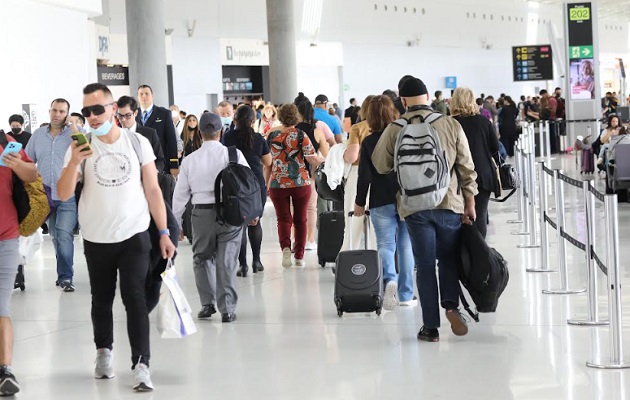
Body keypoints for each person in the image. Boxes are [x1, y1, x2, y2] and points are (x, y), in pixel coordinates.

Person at [57, 83, 176, 392]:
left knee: (135, 298)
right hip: (96, 237)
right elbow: (63, 193)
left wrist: (163, 232)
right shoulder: (80, 147)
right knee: (101, 299)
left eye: (98, 110)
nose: (93, 117)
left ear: (113, 109)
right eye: (87, 112)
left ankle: (141, 365)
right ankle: (103, 352)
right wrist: (73, 162)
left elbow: (153, 190)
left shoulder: (137, 143)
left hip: (134, 234)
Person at [372, 76, 478, 343]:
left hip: (414, 207)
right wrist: (470, 201)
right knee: (448, 259)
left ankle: (430, 328)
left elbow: (380, 165)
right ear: (429, 96)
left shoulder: (396, 128)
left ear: (403, 100)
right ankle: (452, 307)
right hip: (449, 204)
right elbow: (466, 167)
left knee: (425, 264)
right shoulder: (449, 124)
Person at [172, 112, 249, 322]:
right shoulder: (233, 155)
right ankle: (228, 310)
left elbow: (180, 195)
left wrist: (176, 223)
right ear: (221, 132)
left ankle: (207, 305)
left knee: (201, 258)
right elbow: (247, 186)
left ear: (200, 133)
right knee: (227, 262)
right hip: (230, 213)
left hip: (200, 214)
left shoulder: (189, 160)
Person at [354, 95, 416, 311]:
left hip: (380, 199)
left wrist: (359, 203)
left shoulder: (369, 142)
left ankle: (390, 280)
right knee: (406, 245)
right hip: (406, 197)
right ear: (393, 112)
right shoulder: (402, 135)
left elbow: (364, 176)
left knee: (385, 245)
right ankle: (406, 294)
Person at [25, 98, 78, 292]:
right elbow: (28, 160)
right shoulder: (38, 135)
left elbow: (85, 150)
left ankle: (66, 277)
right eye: (54, 110)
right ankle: (62, 274)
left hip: (67, 195)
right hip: (46, 196)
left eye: (62, 112)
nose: (57, 114)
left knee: (64, 236)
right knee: (55, 237)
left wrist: (75, 128)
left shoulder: (73, 135)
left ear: (67, 114)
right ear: (49, 111)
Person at [0, 131, 38, 396]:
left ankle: (5, 370)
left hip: (6, 236)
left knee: (1, 306)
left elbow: (32, 175)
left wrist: (17, 163)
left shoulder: (6, 144)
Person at [265, 104, 321, 268]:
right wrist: (322, 162)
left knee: (283, 219)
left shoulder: (271, 135)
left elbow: (267, 164)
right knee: (300, 219)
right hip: (300, 182)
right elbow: (311, 158)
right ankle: (299, 257)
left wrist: (266, 182)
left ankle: (285, 249)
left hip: (278, 182)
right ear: (296, 116)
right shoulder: (300, 135)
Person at [223, 106, 272, 277]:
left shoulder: (227, 137)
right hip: (255, 185)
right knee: (255, 222)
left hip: (236, 185)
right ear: (252, 121)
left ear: (234, 120)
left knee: (240, 224)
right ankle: (256, 261)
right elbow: (268, 161)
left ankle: (242, 265)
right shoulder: (258, 138)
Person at [451, 87, 501, 238]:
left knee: (457, 216)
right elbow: (495, 147)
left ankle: (463, 254)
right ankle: (481, 253)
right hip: (483, 173)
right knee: (480, 213)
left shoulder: (451, 123)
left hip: (457, 176)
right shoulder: (483, 121)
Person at [294, 93, 331, 250]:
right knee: (310, 208)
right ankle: (309, 240)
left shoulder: (290, 130)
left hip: (291, 175)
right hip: (310, 175)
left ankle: (295, 240)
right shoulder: (317, 130)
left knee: (293, 208)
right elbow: (326, 153)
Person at [343, 95, 376, 251]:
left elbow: (352, 156)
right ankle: (378, 260)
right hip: (381, 176)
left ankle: (349, 257)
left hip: (358, 173)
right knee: (377, 223)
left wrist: (340, 154)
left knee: (353, 221)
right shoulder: (389, 127)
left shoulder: (358, 128)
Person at [136, 85, 179, 176]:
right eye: (141, 94)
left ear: (152, 96)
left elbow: (171, 140)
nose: (144, 96)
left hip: (160, 163)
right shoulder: (134, 114)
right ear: (138, 97)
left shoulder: (164, 114)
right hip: (139, 164)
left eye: (147, 94)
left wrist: (174, 164)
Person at [116, 96, 165, 172]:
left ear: (135, 113)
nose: (123, 120)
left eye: (128, 115)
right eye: (120, 116)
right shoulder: (114, 135)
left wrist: (154, 171)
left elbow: (160, 159)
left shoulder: (149, 133)